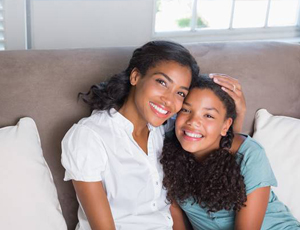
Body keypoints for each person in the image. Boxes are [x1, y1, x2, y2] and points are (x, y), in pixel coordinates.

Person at [61, 40, 245, 230]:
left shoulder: (163, 129)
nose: (168, 100)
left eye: (180, 93)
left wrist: (238, 112)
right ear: (135, 76)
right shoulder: (89, 136)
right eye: (162, 82)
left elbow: (215, 140)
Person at [161, 75, 300, 230]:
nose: (193, 121)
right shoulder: (166, 154)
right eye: (186, 110)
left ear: (225, 126)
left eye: (208, 115)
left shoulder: (249, 154)